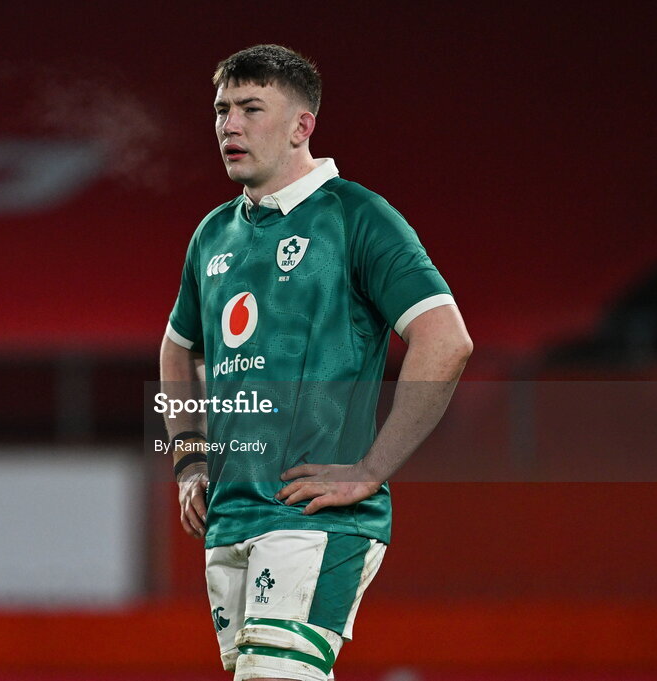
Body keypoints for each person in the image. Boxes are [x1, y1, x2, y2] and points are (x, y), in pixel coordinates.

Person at [159, 44, 472, 681]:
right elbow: (177, 348)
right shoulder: (214, 233)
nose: (230, 126)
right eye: (222, 110)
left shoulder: (358, 217)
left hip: (315, 517)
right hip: (231, 513)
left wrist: (371, 470)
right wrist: (190, 459)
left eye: (251, 108)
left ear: (303, 126)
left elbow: (447, 340)